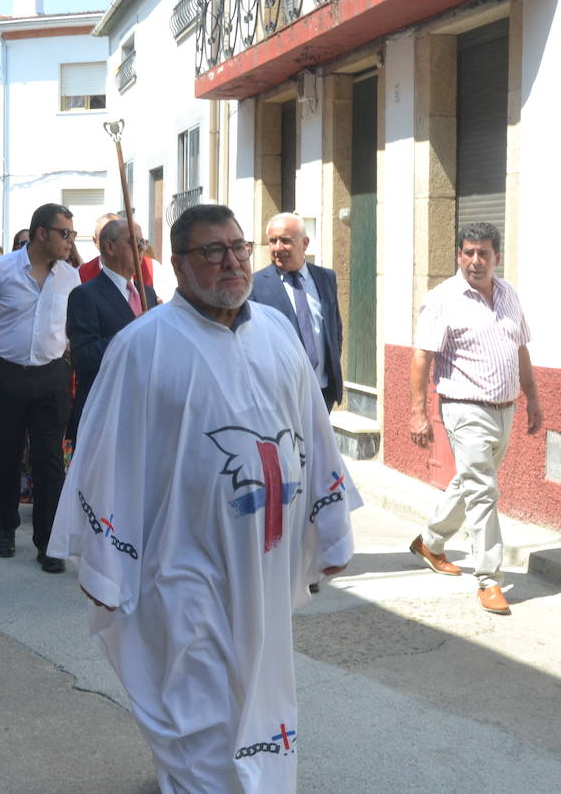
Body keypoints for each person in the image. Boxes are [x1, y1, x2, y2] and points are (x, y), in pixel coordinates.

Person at [48, 203, 360, 792]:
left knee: (259, 688)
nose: (232, 262)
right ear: (180, 264)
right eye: (212, 252)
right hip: (182, 564)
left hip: (263, 566)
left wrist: (333, 528)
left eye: (238, 248)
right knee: (198, 700)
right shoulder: (142, 347)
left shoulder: (277, 333)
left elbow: (312, 433)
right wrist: (105, 567)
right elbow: (106, 457)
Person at [408, 221, 541, 616]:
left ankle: (430, 541)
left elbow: (520, 350)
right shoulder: (443, 299)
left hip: (505, 408)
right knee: (484, 491)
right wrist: (418, 414)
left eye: (483, 253)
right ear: (458, 256)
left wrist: (533, 398)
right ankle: (489, 579)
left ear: (497, 256)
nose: (475, 261)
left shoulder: (509, 295)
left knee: (471, 483)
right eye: (468, 253)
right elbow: (421, 357)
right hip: (464, 407)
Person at [0, 204, 81, 573]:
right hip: (4, 374)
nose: (71, 240)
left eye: (72, 234)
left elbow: (70, 329)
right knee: (4, 452)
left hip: (50, 376)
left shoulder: (70, 278)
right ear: (41, 234)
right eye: (65, 233)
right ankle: (5, 527)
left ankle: (48, 540)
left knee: (49, 460)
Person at [66, 219, 158, 445]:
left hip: (147, 411)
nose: (141, 249)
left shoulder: (148, 294)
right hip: (107, 412)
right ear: (109, 246)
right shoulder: (85, 295)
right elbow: (84, 358)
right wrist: (134, 331)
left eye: (143, 242)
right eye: (134, 242)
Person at [249, 212, 345, 410]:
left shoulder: (325, 278)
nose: (277, 248)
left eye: (285, 241)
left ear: (305, 243)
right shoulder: (255, 285)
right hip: (279, 397)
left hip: (322, 392)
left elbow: (335, 330)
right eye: (272, 241)